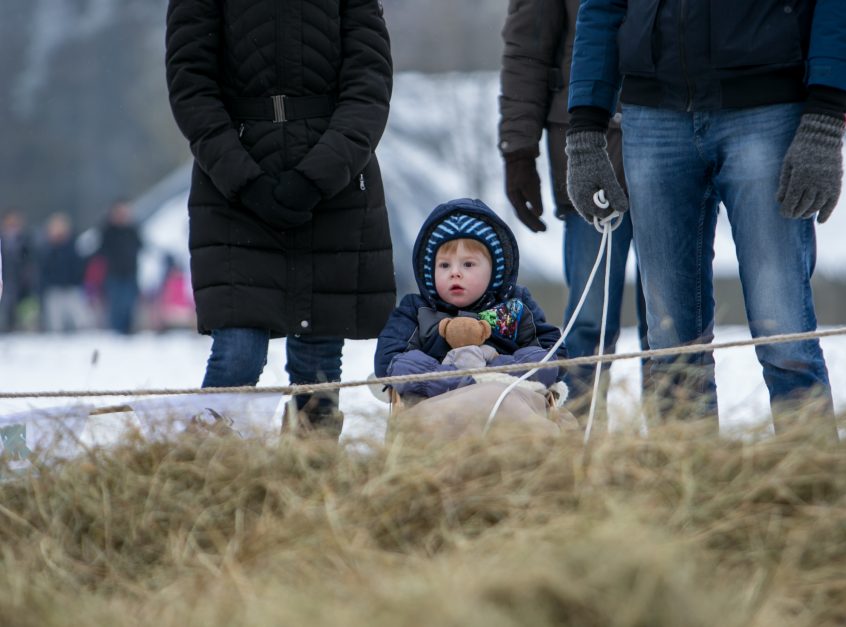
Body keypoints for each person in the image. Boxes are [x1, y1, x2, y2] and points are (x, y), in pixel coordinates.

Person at [565, 0, 846, 433]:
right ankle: (691, 487)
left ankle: (812, 488)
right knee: (671, 348)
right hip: (652, 116)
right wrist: (584, 129)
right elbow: (601, 5)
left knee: (783, 334)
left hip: (766, 107)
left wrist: (825, 114)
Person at [165, 0, 395, 438]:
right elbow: (190, 86)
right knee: (238, 350)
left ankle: (310, 483)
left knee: (319, 355)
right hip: (234, 188)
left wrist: (319, 175)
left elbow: (369, 84)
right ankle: (203, 475)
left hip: (333, 185)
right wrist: (243, 179)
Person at [498, 0, 649, 419]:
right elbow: (527, 49)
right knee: (588, 322)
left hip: (676, 143)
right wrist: (519, 149)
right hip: (587, 157)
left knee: (672, 324)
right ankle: (577, 445)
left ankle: (676, 451)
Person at [375, 198, 564, 405]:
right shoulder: (416, 310)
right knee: (404, 364)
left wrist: (496, 367)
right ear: (430, 272)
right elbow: (387, 359)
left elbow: (556, 353)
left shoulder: (516, 305)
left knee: (540, 359)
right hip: (438, 400)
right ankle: (462, 383)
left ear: (495, 271)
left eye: (468, 264)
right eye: (444, 265)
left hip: (505, 398)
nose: (455, 273)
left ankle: (488, 382)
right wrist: (447, 373)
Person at [38, 213, 93, 333]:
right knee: (55, 323)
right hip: (53, 289)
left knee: (81, 321)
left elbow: (80, 266)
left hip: (71, 288)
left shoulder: (73, 246)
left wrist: (76, 280)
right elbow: (42, 269)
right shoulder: (46, 248)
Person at [97, 201, 142, 335]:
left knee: (129, 304)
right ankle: (116, 331)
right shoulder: (107, 231)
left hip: (130, 273)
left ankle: (127, 330)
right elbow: (102, 251)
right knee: (116, 305)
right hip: (114, 274)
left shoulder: (132, 230)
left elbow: (140, 246)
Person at [0, 211, 36, 333]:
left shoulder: (27, 241)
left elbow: (31, 263)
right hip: (4, 282)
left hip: (21, 285)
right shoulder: (2, 241)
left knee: (22, 316)